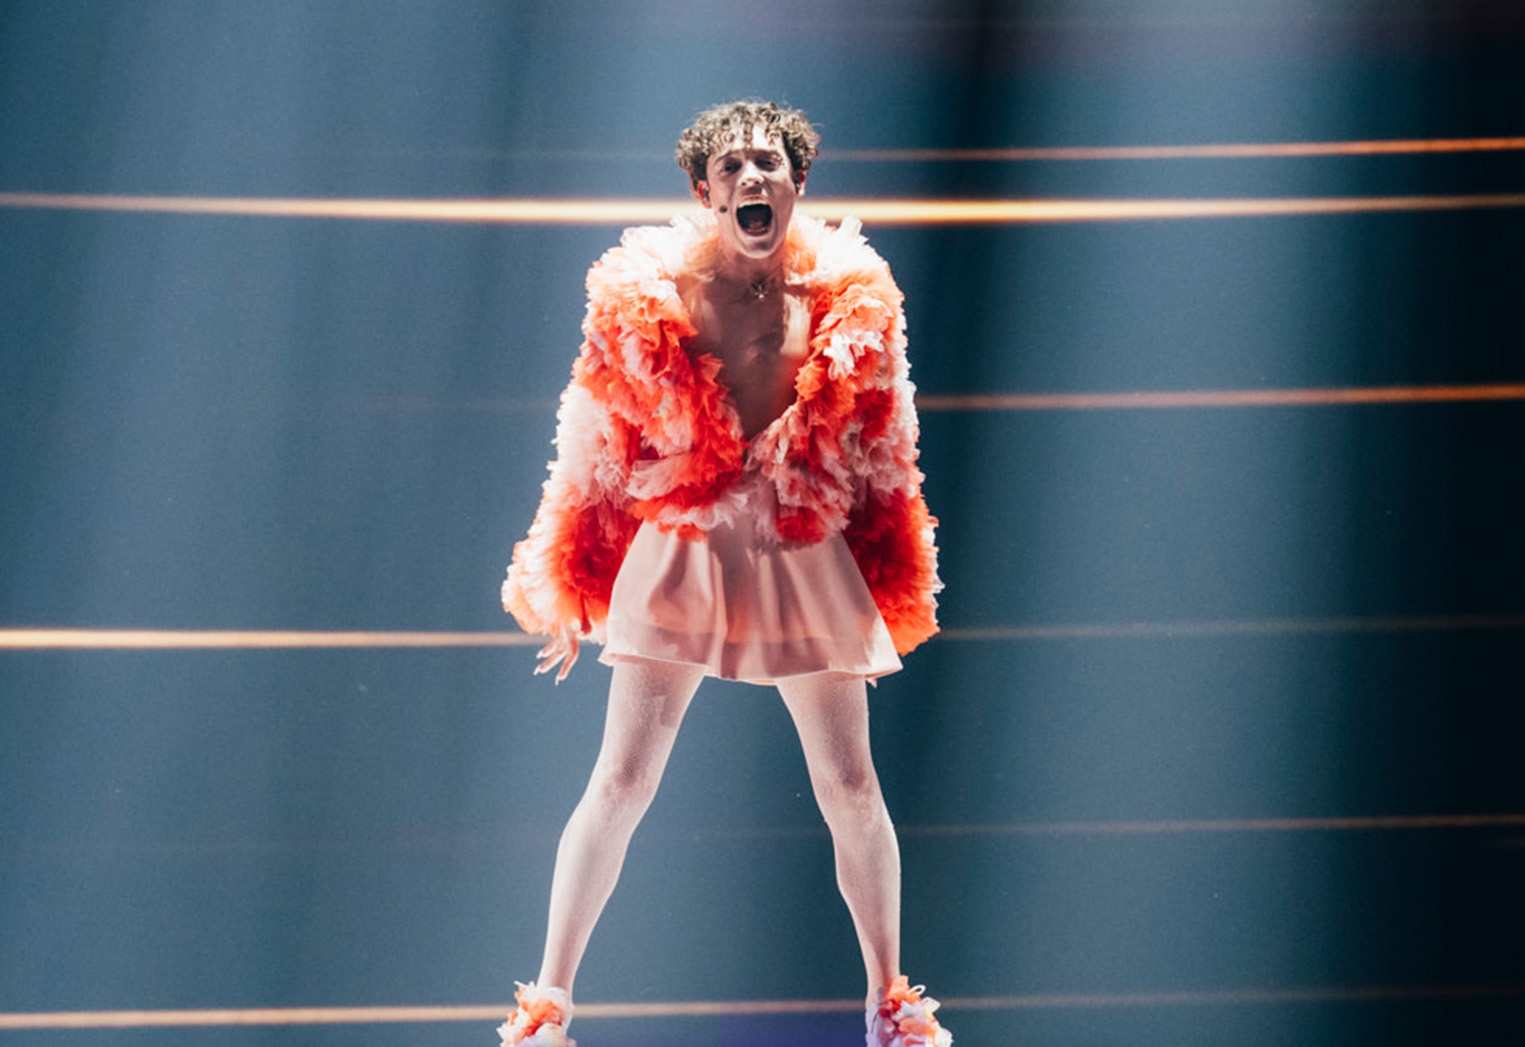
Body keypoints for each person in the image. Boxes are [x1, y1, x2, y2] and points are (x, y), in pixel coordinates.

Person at [498, 100, 950, 1047]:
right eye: (733, 165)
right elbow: (596, 445)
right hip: (685, 541)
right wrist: (569, 582)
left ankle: (889, 1003)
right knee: (622, 777)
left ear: (797, 183)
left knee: (850, 783)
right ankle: (546, 1004)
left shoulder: (849, 305)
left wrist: (891, 579)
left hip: (798, 542)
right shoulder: (648, 300)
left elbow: (885, 454)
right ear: (704, 190)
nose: (752, 176)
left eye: (769, 163)